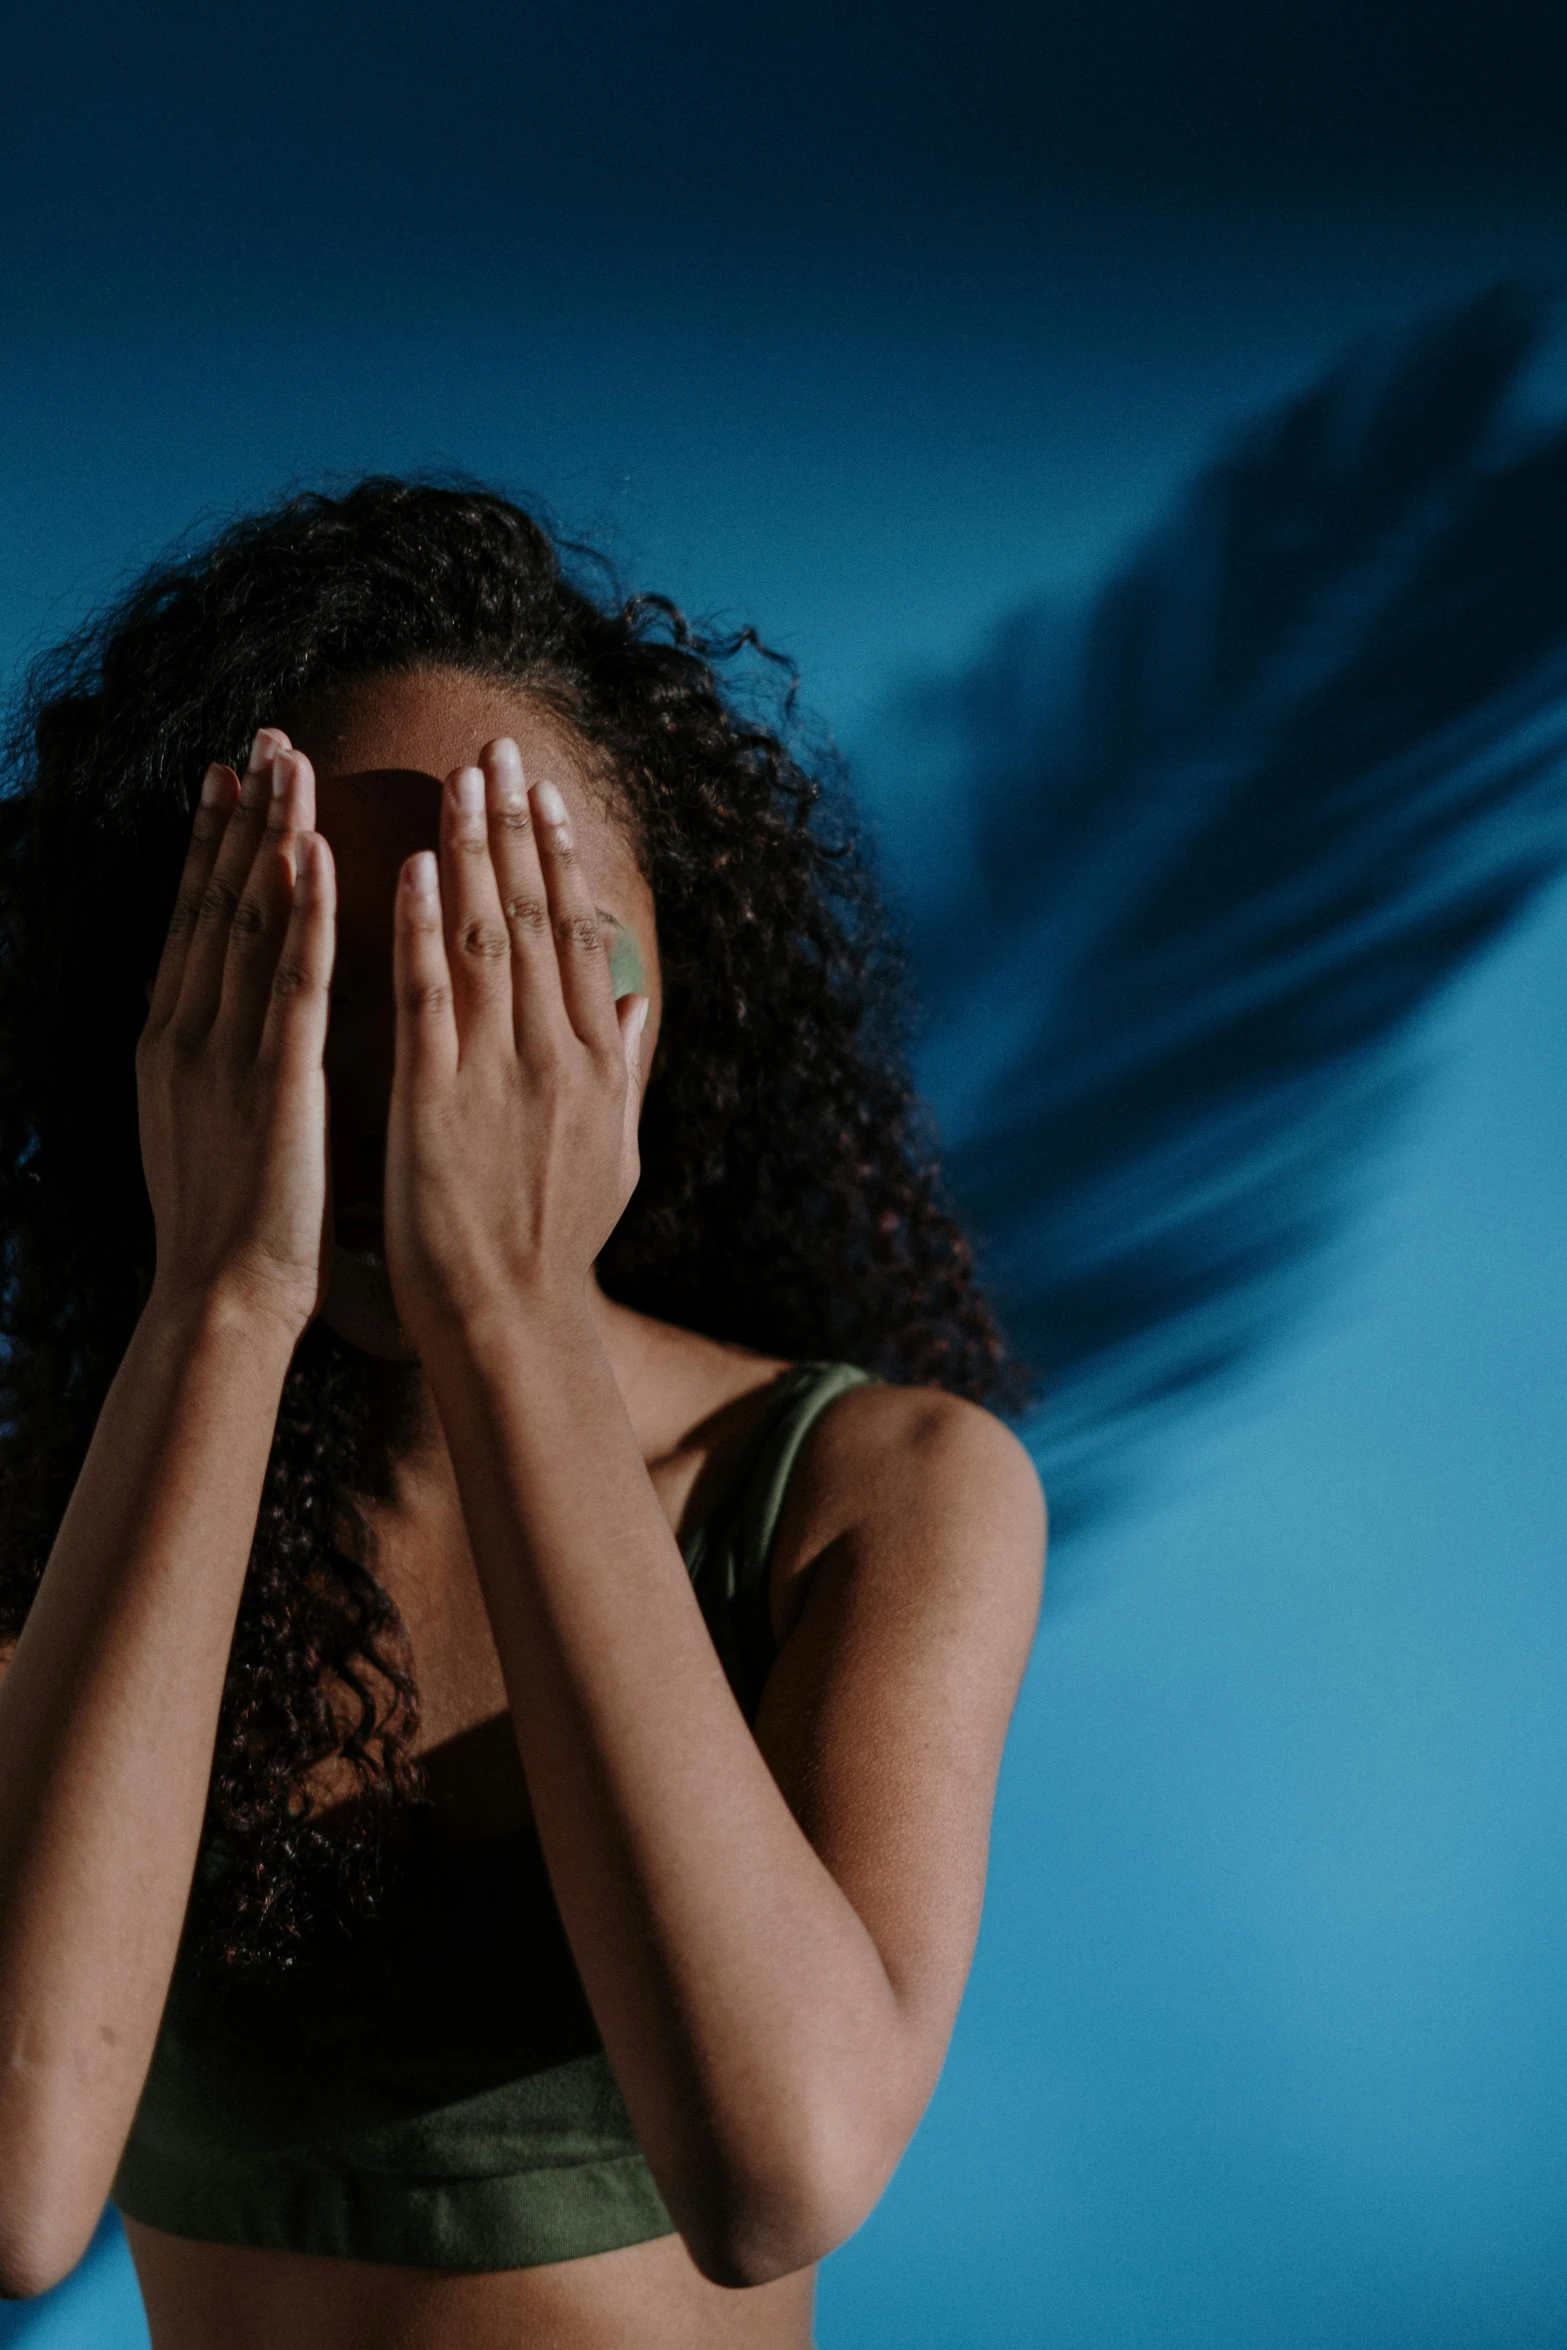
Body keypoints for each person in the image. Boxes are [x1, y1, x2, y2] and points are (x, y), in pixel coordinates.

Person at [0, 481, 1045, 2350]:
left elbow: (776, 2162)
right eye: (318, 965)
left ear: (642, 1026)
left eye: (517, 961)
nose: (432, 1051)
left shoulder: (876, 1492)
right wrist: (221, 1297)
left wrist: (509, 1304)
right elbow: (15, 2181)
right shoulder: (62, 1498)